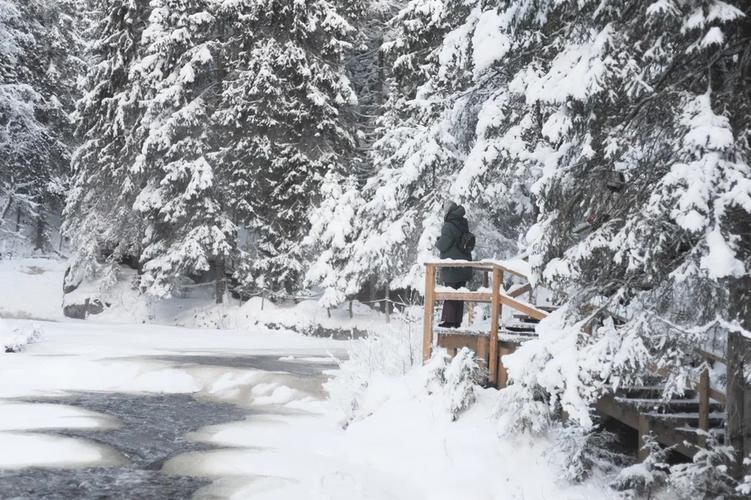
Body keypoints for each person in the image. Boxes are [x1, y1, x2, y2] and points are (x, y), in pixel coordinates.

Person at [435, 201, 473, 328]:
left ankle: (448, 321)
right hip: (463, 264)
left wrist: (437, 242)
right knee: (459, 293)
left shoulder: (448, 225)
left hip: (452, 266)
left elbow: (444, 245)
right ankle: (457, 321)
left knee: (450, 292)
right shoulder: (463, 222)